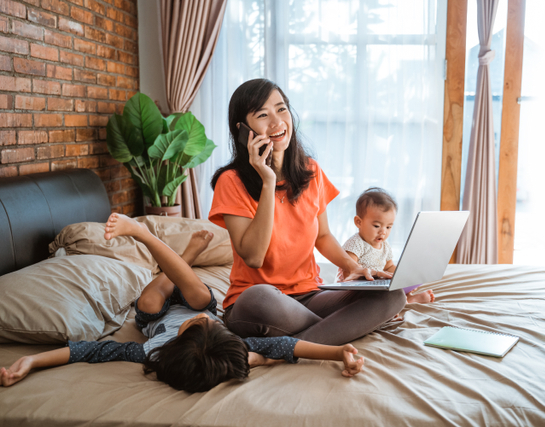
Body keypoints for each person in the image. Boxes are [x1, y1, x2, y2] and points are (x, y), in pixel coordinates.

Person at [0, 214, 364, 392]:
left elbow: (85, 352)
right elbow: (283, 346)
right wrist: (338, 352)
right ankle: (176, 252)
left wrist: (31, 360)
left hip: (154, 314)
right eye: (210, 327)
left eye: (198, 327)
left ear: (177, 342)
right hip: (198, 297)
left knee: (150, 297)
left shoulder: (150, 352)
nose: (205, 323)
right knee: (201, 299)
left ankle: (171, 249)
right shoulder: (233, 350)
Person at [209, 78, 406, 346]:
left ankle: (288, 348)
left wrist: (355, 268)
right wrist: (267, 181)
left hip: (309, 296)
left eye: (281, 109)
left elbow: (322, 236)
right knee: (260, 297)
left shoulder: (310, 171)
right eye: (263, 115)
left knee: (393, 296)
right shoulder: (231, 181)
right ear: (243, 130)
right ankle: (338, 330)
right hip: (258, 303)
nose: (277, 122)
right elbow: (254, 256)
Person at [336, 187, 435, 304]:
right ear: (359, 222)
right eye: (377, 226)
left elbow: (388, 267)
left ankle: (406, 299)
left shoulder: (385, 246)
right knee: (379, 298)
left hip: (377, 286)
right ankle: (402, 302)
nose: (383, 231)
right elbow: (349, 272)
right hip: (354, 291)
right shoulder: (355, 243)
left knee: (394, 289)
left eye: (388, 227)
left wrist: (403, 276)